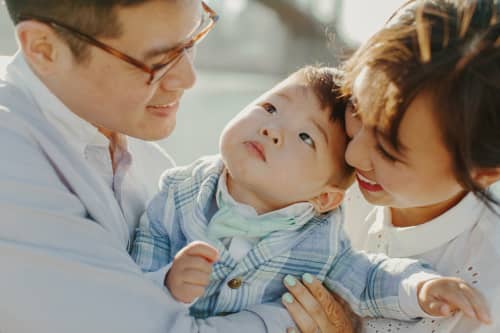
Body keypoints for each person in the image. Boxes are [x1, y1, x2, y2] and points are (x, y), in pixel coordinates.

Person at [0, 0, 297, 331]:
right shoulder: (9, 160)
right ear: (44, 49)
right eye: (160, 61)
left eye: (193, 39)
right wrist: (302, 321)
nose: (187, 78)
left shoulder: (147, 161)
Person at [131, 66, 490, 326]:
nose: (272, 130)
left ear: (324, 199)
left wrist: (420, 289)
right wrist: (164, 279)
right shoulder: (178, 191)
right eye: (270, 108)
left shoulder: (321, 243)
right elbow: (130, 273)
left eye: (306, 138)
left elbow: (369, 278)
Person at [279, 1, 500, 332]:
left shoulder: (487, 293)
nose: (353, 156)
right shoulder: (316, 147)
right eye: (356, 106)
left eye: (388, 151)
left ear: (483, 172)